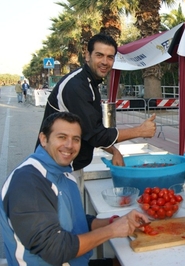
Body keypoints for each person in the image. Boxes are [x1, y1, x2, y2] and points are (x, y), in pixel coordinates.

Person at [0, 112, 149, 265]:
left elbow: (75, 222)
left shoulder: (64, 174)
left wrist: (116, 221)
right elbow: (55, 250)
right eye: (62, 137)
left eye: (76, 139)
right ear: (44, 139)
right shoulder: (28, 182)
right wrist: (112, 231)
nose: (69, 145)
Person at [37, 33, 156, 198]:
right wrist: (140, 131)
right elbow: (96, 135)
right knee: (64, 222)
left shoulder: (90, 83)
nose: (105, 62)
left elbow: (90, 128)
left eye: (110, 57)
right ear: (87, 56)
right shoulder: (76, 86)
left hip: (68, 164)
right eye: (99, 55)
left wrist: (114, 151)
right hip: (56, 168)